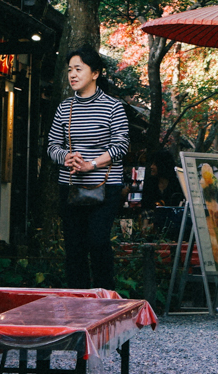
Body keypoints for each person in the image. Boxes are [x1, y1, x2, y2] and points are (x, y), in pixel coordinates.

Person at [46, 47, 129, 291]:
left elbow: (122, 145)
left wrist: (91, 164)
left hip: (106, 186)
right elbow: (52, 144)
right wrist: (67, 157)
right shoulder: (65, 108)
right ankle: (77, 300)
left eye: (78, 69)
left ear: (95, 73)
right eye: (70, 70)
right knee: (74, 247)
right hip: (70, 186)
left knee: (98, 241)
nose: (72, 74)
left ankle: (105, 298)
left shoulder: (113, 106)